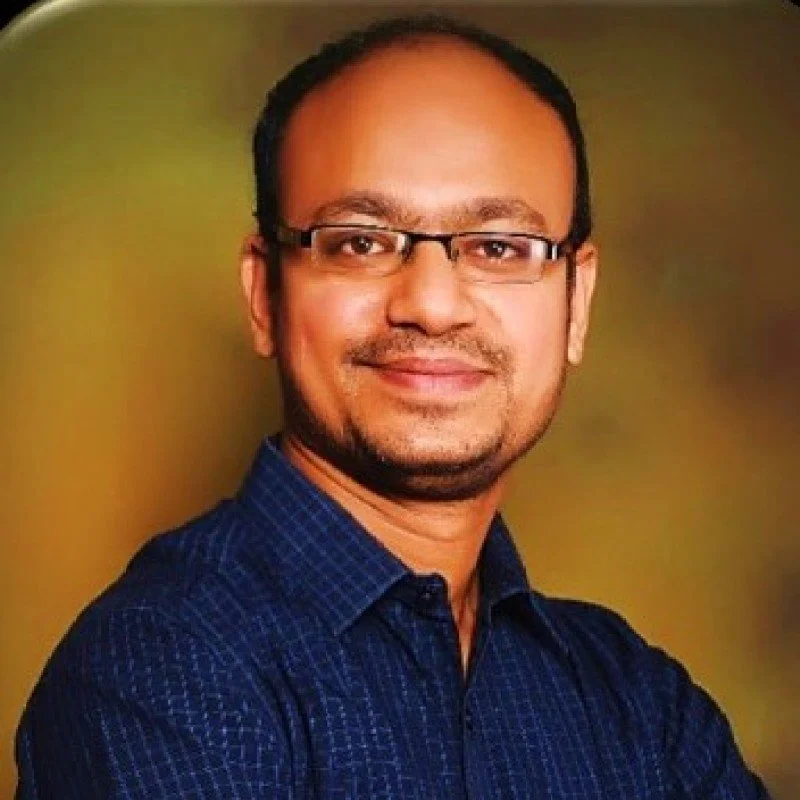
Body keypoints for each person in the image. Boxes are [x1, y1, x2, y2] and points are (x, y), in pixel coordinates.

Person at [15, 14, 770, 799]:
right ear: (263, 294)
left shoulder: (641, 707)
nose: (434, 305)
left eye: (500, 246)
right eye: (360, 243)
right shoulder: (158, 672)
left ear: (576, 302)